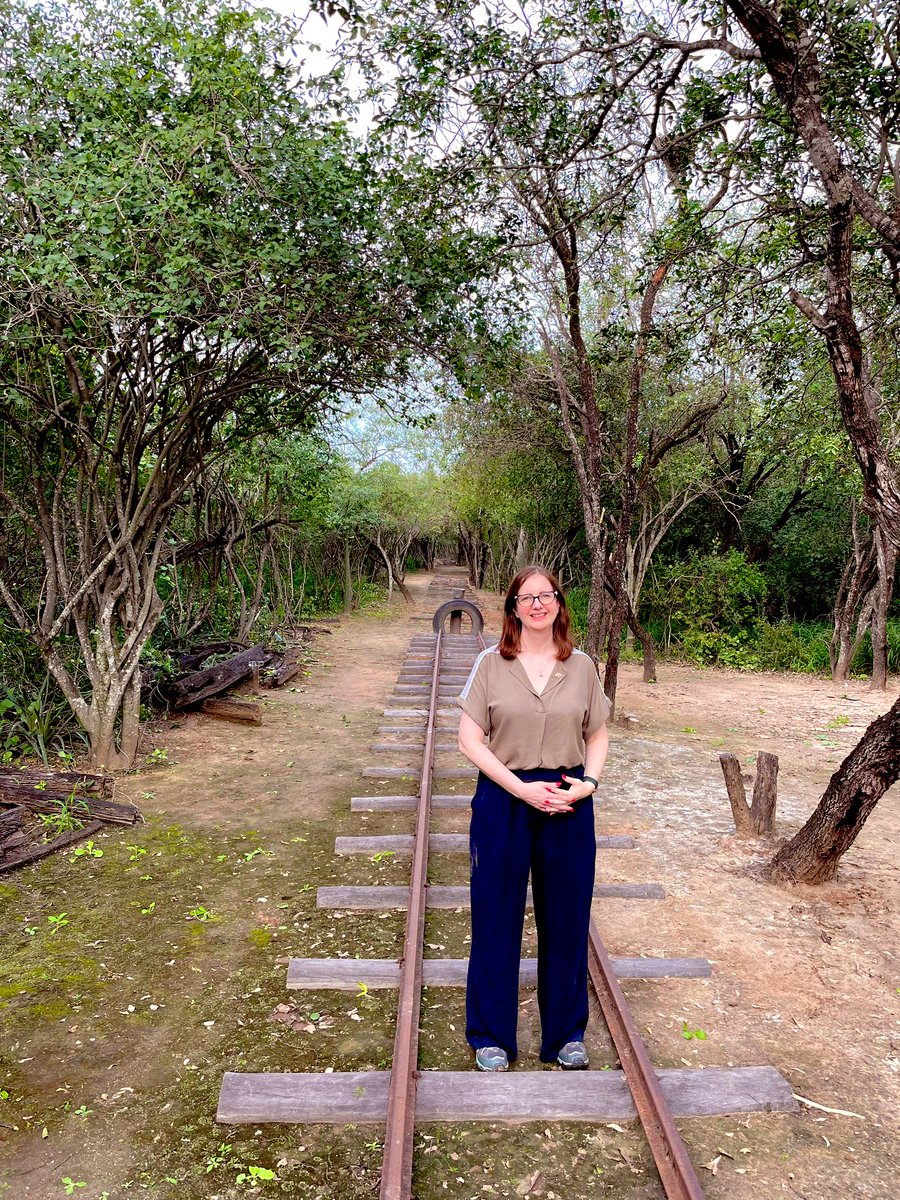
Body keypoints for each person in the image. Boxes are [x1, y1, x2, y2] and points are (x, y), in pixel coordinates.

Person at [457, 565, 610, 1072]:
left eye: (546, 596)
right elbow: (469, 740)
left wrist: (588, 782)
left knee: (566, 922)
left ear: (560, 604)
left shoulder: (583, 666)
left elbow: (597, 732)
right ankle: (490, 1035)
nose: (538, 604)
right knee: (496, 918)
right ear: (513, 608)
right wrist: (521, 789)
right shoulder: (490, 664)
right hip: (505, 797)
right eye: (527, 597)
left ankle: (566, 1035)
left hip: (568, 801)